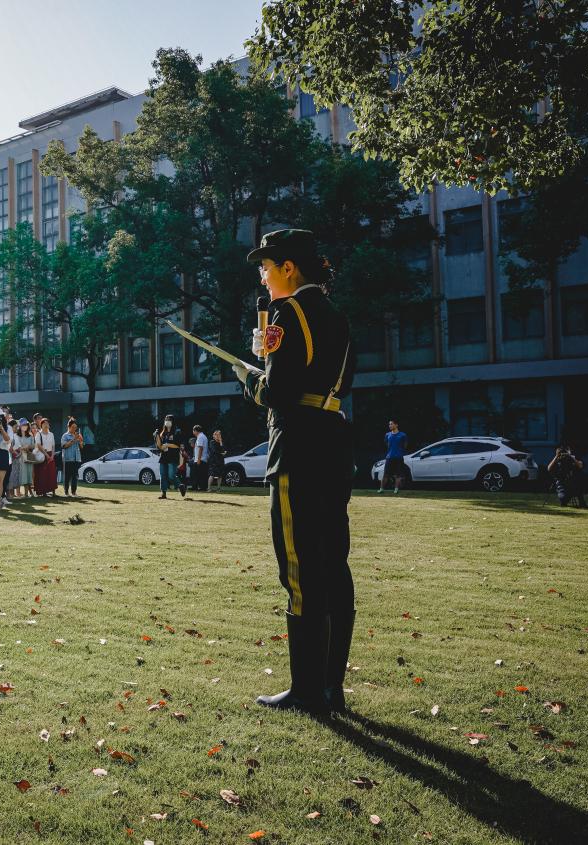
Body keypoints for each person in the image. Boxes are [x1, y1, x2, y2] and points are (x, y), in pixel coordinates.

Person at [238, 228, 357, 715]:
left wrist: (251, 377)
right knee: (334, 566)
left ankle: (307, 691)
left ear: (289, 267)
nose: (263, 277)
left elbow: (279, 393)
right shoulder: (336, 314)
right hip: (333, 441)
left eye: (267, 267)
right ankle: (331, 687)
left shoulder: (288, 312)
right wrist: (271, 359)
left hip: (298, 448)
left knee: (301, 569)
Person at [154, 415, 187, 499]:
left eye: (169, 420)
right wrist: (157, 436)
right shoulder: (163, 433)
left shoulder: (177, 432)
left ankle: (180, 486)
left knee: (171, 476)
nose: (167, 421)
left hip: (173, 457)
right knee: (163, 475)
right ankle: (163, 493)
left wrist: (168, 444)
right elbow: (159, 446)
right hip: (164, 457)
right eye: (166, 420)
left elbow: (178, 446)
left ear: (173, 421)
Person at [379, 420, 407, 493]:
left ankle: (396, 489)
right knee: (385, 474)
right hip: (389, 457)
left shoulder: (403, 435)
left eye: (391, 424)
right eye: (389, 424)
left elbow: (404, 446)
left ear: (396, 425)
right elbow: (386, 444)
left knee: (398, 474)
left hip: (399, 457)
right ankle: (381, 489)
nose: (390, 425)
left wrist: (400, 452)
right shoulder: (387, 434)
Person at [33, 418, 57, 497]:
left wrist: (52, 455)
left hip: (51, 455)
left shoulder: (51, 434)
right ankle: (43, 492)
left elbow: (53, 446)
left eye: (47, 423)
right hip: (42, 455)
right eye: (44, 423)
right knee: (42, 474)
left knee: (51, 473)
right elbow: (39, 445)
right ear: (41, 425)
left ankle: (53, 491)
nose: (46, 425)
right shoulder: (38, 434)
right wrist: (46, 455)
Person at [61, 418, 83, 497]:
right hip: (68, 459)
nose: (74, 429)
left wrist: (80, 441)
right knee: (67, 476)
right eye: (73, 427)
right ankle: (66, 492)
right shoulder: (65, 435)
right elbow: (64, 446)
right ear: (69, 427)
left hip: (76, 458)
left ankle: (74, 492)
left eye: (75, 427)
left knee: (75, 476)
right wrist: (74, 439)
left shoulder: (77, 435)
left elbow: (81, 447)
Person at [191, 425, 209, 492]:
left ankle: (198, 487)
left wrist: (198, 459)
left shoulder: (200, 437)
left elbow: (200, 448)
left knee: (197, 474)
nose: (193, 432)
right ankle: (201, 487)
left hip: (200, 459)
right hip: (203, 459)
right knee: (202, 474)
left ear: (196, 430)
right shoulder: (203, 436)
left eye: (193, 430)